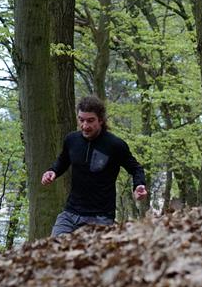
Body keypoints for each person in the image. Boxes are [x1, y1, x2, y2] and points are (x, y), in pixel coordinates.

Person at [41, 96, 147, 236]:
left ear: (101, 120)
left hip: (100, 217)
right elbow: (63, 160)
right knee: (54, 246)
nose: (85, 126)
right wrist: (52, 171)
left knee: (91, 251)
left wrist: (139, 185)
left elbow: (136, 168)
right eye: (81, 120)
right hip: (70, 214)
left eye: (90, 120)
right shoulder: (71, 140)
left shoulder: (115, 145)